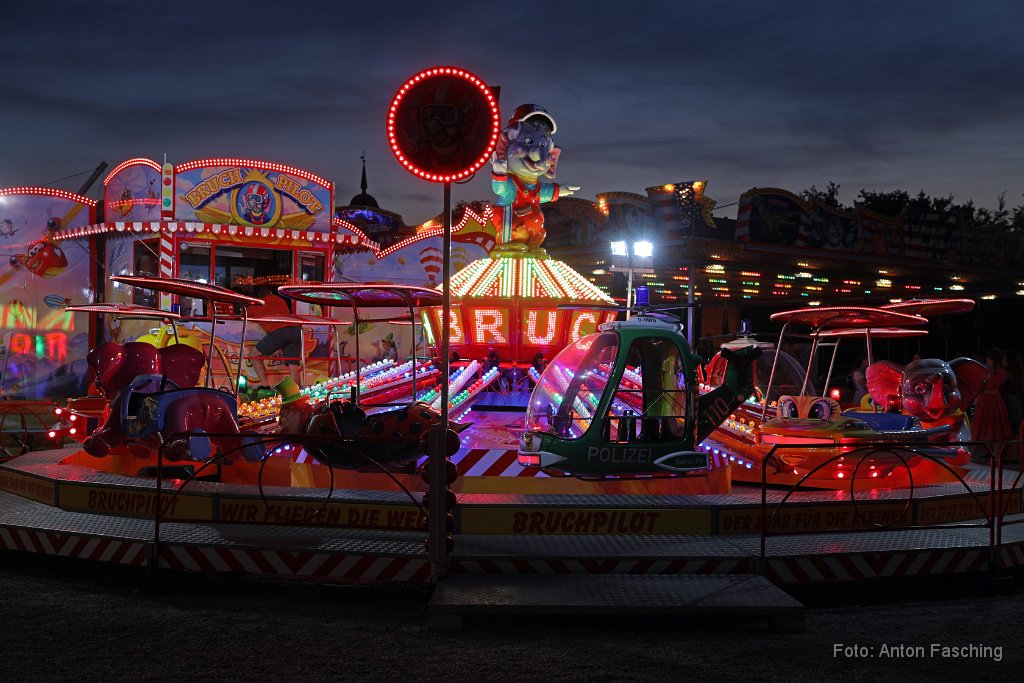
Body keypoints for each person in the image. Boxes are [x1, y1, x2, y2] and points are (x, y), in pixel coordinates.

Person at [247, 285, 302, 390]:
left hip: (280, 331)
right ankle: (297, 394)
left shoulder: (257, 304)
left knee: (254, 355)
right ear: (271, 293)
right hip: (295, 330)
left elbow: (243, 315)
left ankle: (265, 386)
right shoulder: (281, 300)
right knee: (293, 367)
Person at [971, 348, 1012, 445]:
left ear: (991, 359)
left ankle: (973, 454)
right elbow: (1002, 386)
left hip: (984, 400)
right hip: (997, 400)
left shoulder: (985, 371)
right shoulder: (1004, 372)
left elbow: (979, 387)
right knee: (996, 427)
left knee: (980, 426)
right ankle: (995, 456)